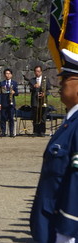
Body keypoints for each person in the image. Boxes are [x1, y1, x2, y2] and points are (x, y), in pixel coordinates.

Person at [30, 48, 78, 243]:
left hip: (64, 230)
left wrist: (67, 231)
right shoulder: (70, 122)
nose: (60, 84)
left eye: (66, 79)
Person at [28, 65, 51, 137]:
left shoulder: (46, 79)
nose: (37, 73)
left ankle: (42, 131)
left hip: (43, 101)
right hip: (35, 100)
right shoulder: (32, 80)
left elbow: (48, 89)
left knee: (43, 117)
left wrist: (44, 94)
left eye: (38, 71)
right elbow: (30, 89)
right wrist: (34, 87)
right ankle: (35, 131)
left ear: (41, 72)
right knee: (35, 116)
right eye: (36, 71)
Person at [0, 68, 19, 137]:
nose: (7, 75)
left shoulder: (14, 83)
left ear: (11, 75)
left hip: (11, 103)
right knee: (3, 118)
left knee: (11, 118)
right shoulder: (1, 83)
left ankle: (11, 132)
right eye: (6, 73)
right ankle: (3, 132)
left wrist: (14, 92)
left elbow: (17, 93)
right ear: (4, 75)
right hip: (4, 102)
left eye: (9, 73)